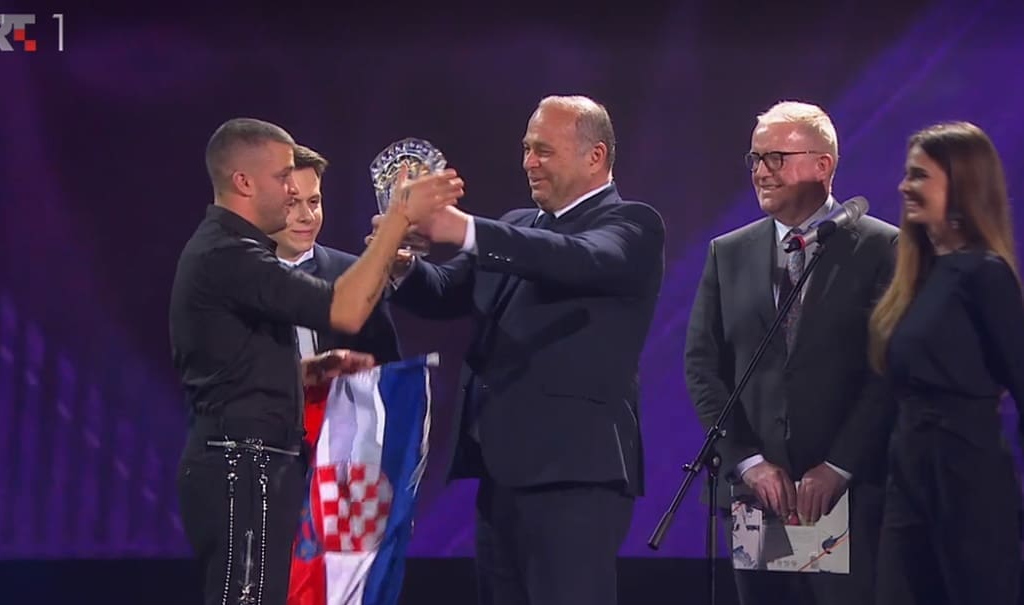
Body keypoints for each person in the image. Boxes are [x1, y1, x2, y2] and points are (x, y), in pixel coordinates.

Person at [375, 94, 665, 605]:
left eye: (543, 151)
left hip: (574, 476)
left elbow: (575, 258)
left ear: (595, 156)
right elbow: (445, 293)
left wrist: (463, 228)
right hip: (501, 473)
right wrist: (402, 267)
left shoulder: (632, 225)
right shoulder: (519, 224)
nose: (529, 162)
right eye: (527, 149)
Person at [170, 117, 463, 605]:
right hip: (244, 468)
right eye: (284, 177)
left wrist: (301, 375)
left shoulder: (231, 251)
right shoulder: (227, 255)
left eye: (306, 191)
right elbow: (344, 310)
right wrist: (398, 218)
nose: (293, 194)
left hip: (254, 465)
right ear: (243, 182)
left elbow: (230, 369)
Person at [684, 101, 898, 605]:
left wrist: (838, 466)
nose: (761, 171)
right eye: (755, 158)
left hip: (848, 496)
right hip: (760, 500)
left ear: (823, 165)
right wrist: (750, 462)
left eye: (776, 157)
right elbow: (702, 366)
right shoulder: (728, 252)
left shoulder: (882, 248)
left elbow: (889, 371)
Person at [869, 121, 1024, 605]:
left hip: (967, 480)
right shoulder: (922, 276)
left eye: (919, 175)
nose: (903, 187)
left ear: (962, 186)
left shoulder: (984, 275)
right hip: (910, 476)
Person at [273, 144, 401, 364]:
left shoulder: (358, 274)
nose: (307, 216)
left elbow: (386, 368)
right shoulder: (234, 278)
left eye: (314, 202)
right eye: (292, 203)